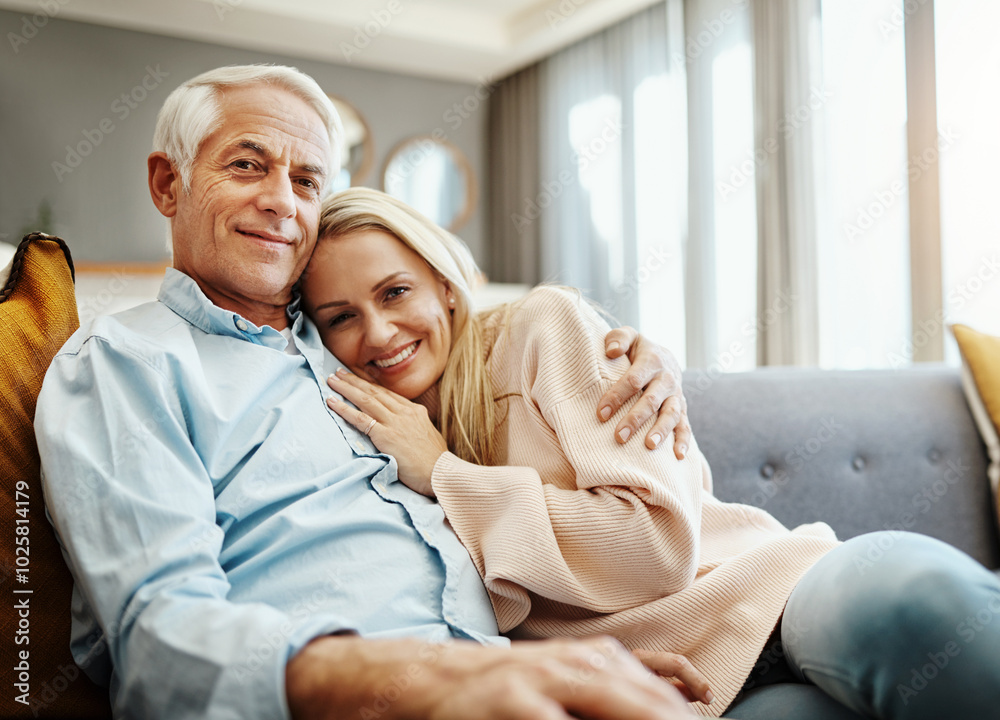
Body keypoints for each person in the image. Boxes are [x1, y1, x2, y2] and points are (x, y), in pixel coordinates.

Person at [34, 64, 700, 720]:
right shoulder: (126, 361)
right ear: (166, 182)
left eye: (306, 181)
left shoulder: (353, 348)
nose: (280, 201)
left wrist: (642, 356)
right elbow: (162, 640)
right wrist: (443, 677)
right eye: (246, 165)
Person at [302, 186, 1000, 720]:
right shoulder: (360, 442)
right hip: (695, 688)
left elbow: (655, 546)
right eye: (341, 318)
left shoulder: (538, 331)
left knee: (914, 609)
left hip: (778, 592)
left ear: (444, 287)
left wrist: (448, 477)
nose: (380, 331)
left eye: (395, 292)